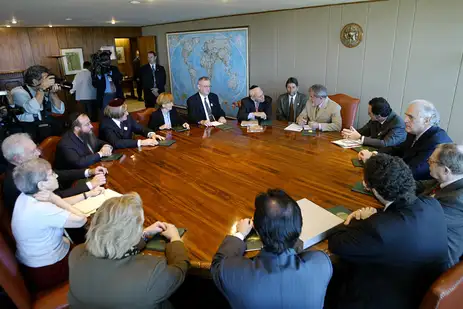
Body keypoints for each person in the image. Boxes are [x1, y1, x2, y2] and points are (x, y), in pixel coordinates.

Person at [328, 154, 448, 309]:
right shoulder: (432, 205)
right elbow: (399, 217)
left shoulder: (380, 230)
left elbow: (336, 243)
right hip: (420, 290)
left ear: (375, 191)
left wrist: (358, 220)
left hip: (387, 300)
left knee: (334, 269)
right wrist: (377, 214)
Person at [211, 189, 332, 309]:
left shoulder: (234, 273)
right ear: (299, 228)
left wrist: (240, 234)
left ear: (257, 230)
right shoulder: (322, 264)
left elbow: (218, 263)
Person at [68, 193, 189, 309]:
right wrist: (175, 239)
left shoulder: (77, 254)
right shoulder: (153, 274)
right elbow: (179, 269)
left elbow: (113, 244)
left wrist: (144, 235)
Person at [11, 158, 104, 291]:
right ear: (42, 185)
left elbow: (58, 202)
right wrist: (54, 198)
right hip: (50, 269)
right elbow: (81, 220)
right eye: (51, 174)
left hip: (33, 262)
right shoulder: (42, 209)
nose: (56, 175)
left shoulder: (26, 196)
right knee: (103, 255)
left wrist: (87, 194)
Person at [2, 133, 107, 216]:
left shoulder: (28, 164)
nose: (39, 153)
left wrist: (89, 172)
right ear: (18, 158)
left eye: (37, 148)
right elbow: (55, 199)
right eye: (33, 151)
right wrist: (89, 186)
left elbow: (57, 174)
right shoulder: (17, 184)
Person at [358, 100, 453, 180]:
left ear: (427, 120)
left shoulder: (435, 142)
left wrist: (375, 162)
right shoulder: (414, 131)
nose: (405, 120)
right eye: (406, 115)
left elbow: (412, 171)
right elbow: (398, 149)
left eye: (411, 117)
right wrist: (374, 154)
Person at [416, 143, 463, 267]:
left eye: (431, 161)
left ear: (446, 170)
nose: (428, 163)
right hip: (422, 239)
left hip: (433, 263)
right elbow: (418, 185)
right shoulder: (450, 180)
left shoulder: (456, 200)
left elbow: (418, 220)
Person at [10, 65, 65, 142]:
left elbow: (59, 110)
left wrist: (53, 94)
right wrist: (41, 89)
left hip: (44, 130)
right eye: (46, 79)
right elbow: (32, 109)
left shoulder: (43, 91)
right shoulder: (18, 92)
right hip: (27, 133)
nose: (49, 82)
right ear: (35, 81)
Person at [99, 98, 164, 149]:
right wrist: (141, 142)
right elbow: (116, 143)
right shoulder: (106, 124)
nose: (127, 113)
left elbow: (139, 128)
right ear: (116, 114)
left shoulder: (127, 118)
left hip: (129, 151)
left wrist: (151, 134)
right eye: (124, 112)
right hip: (113, 156)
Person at [341, 97, 406, 148]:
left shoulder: (398, 124)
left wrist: (360, 137)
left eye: (369, 113)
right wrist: (350, 133)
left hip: (389, 157)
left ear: (378, 116)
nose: (368, 114)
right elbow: (363, 131)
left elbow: (385, 144)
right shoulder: (375, 119)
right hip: (372, 151)